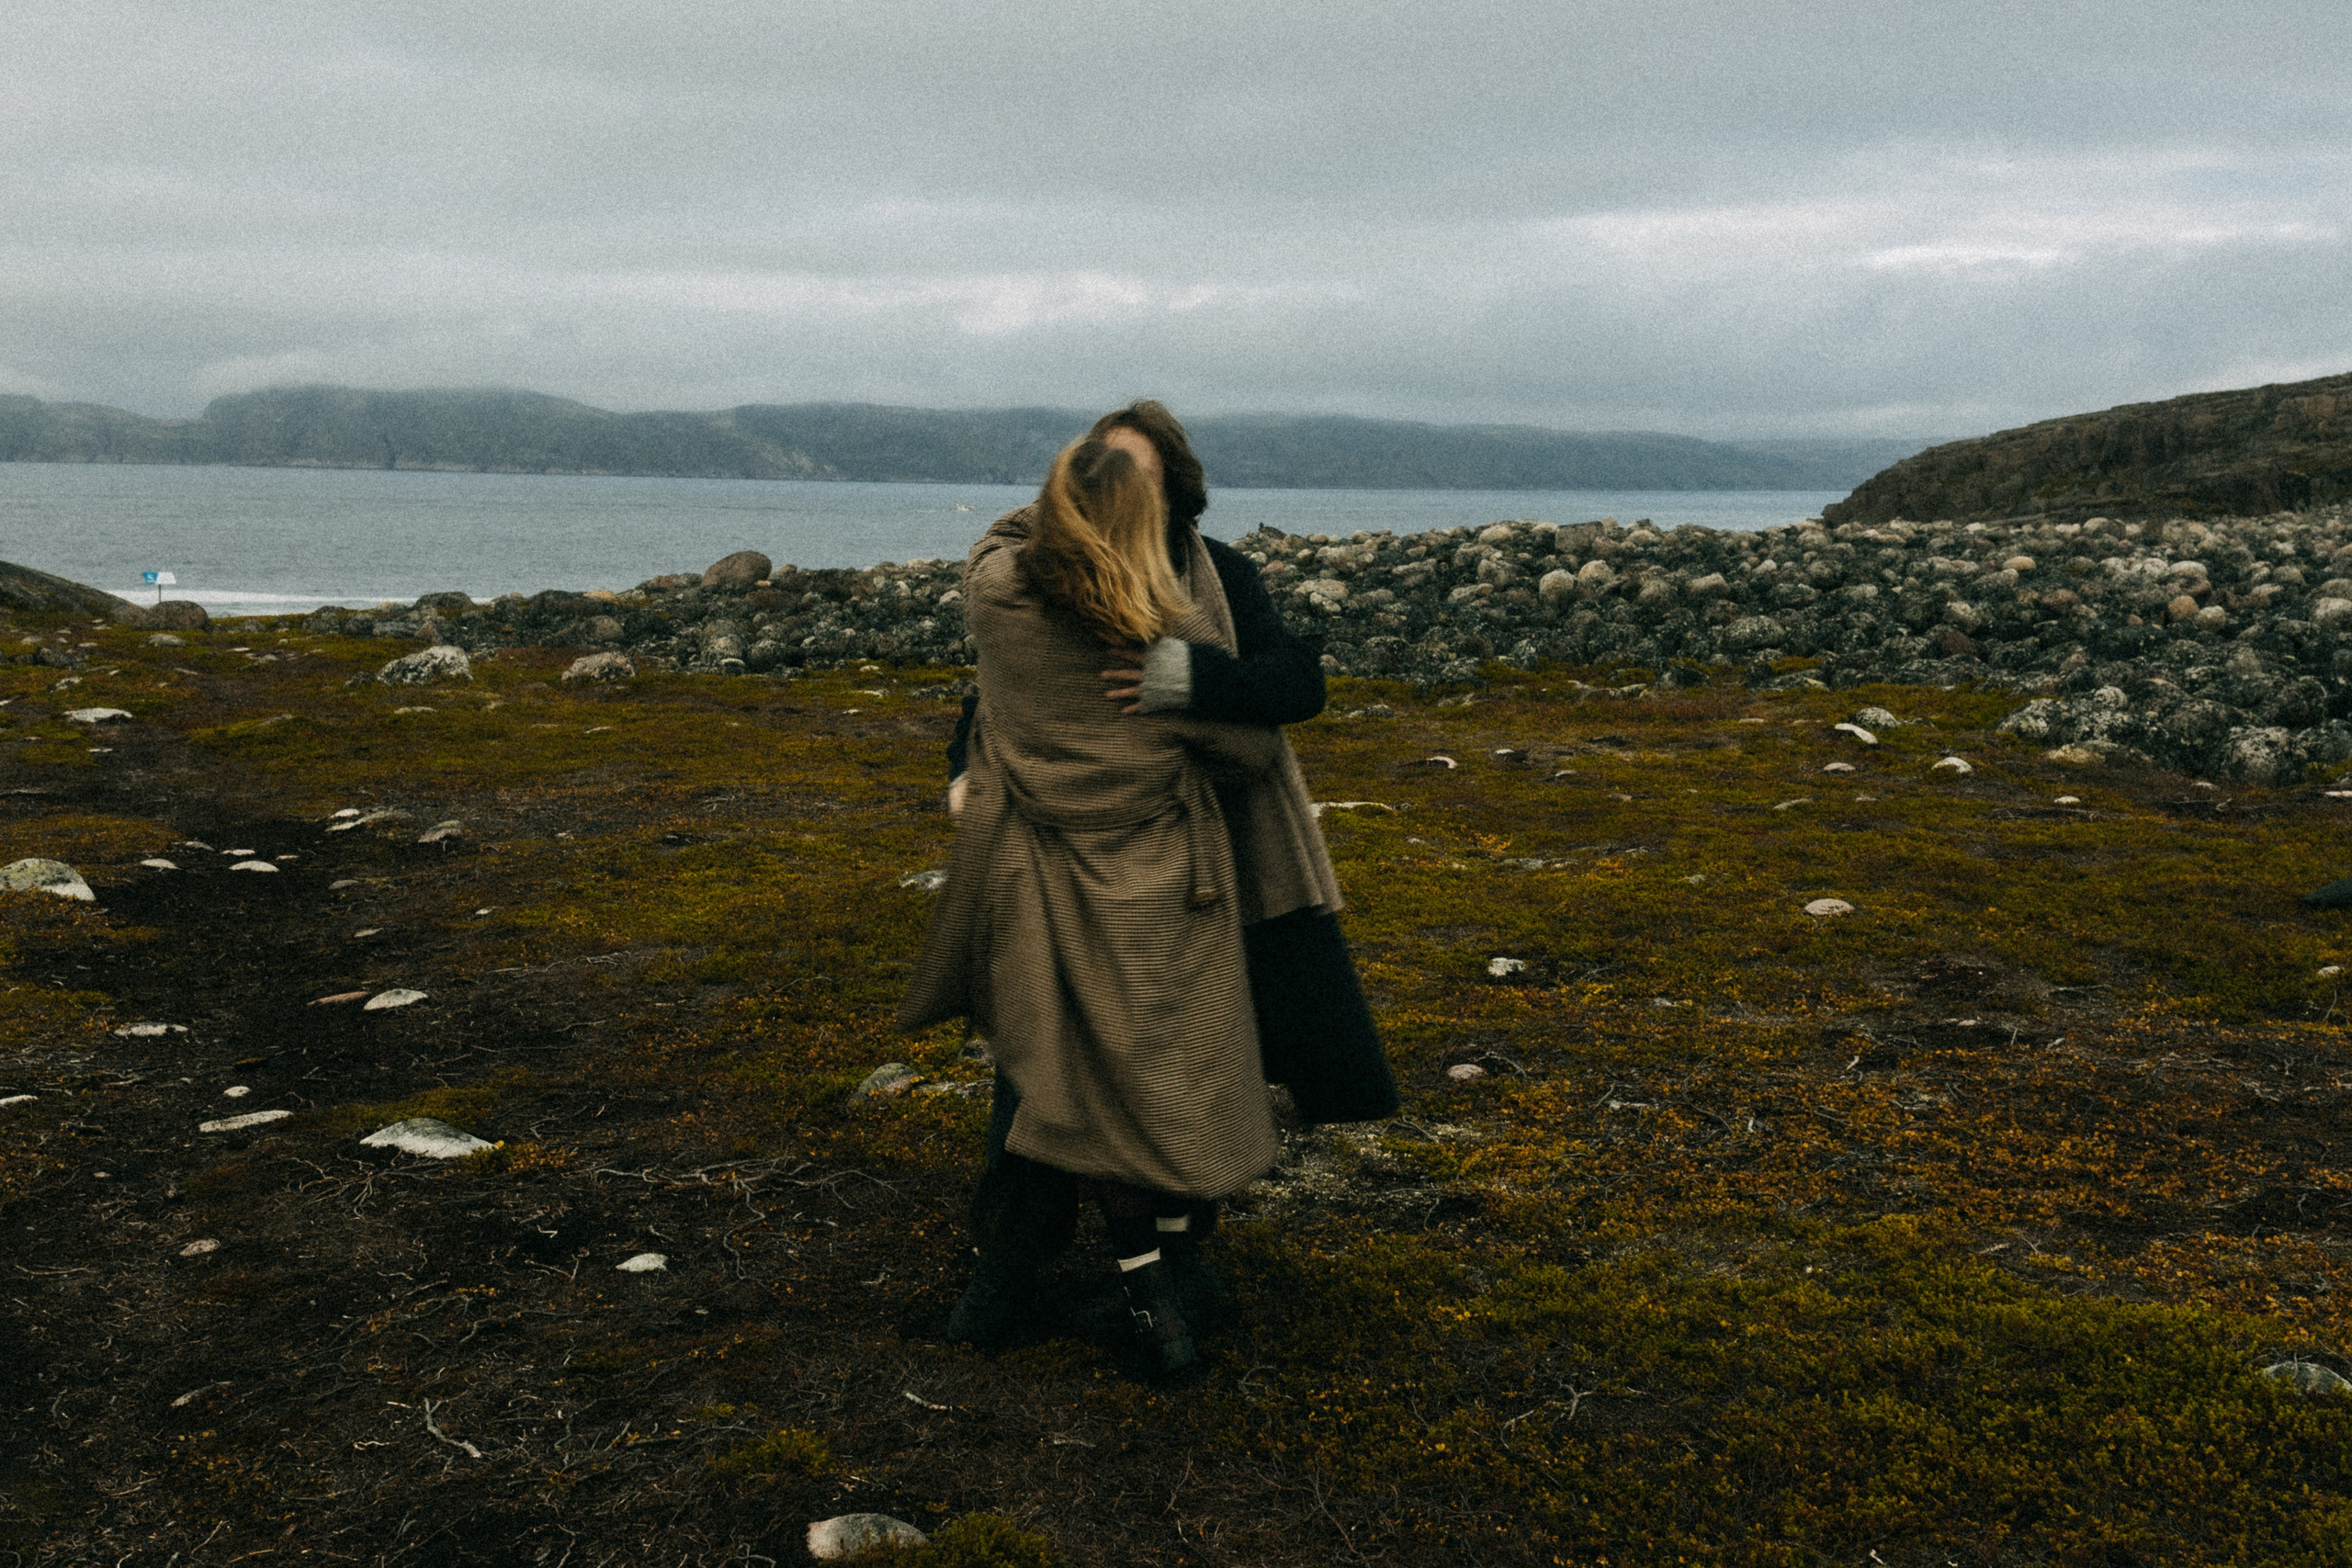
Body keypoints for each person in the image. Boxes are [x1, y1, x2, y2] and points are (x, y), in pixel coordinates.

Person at [900, 401, 1396, 1378]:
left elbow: (1295, 686)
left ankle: (1175, 1267)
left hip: (1211, 861)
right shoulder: (1050, 573)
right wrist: (963, 766)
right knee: (1037, 1072)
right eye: (1101, 470)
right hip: (1060, 861)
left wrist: (1188, 678)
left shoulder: (1220, 576)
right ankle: (1012, 1269)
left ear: (1174, 487)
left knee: (1184, 1064)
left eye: (1134, 472)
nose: (1112, 489)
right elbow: (995, 697)